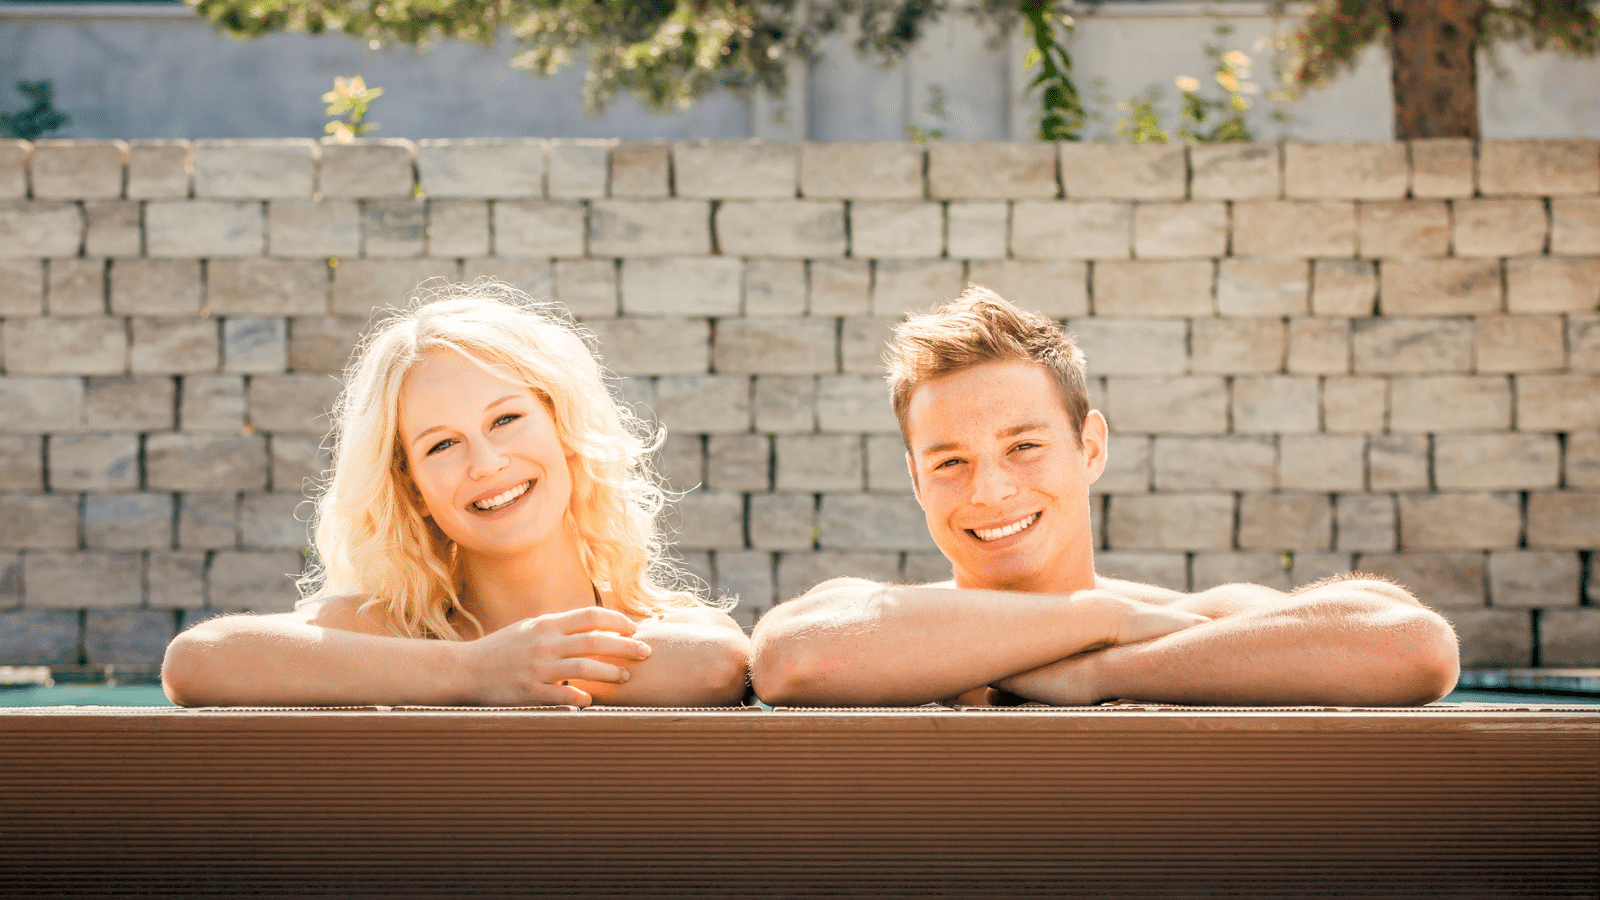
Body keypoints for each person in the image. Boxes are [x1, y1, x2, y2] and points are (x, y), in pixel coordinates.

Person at [750, 286, 1459, 708]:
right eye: (950, 461)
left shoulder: (1185, 622)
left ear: (1090, 448)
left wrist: (1102, 671)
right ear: (914, 479)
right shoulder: (884, 626)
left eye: (1024, 447)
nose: (991, 490)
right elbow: (787, 658)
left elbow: (1414, 645)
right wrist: (1104, 618)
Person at [162, 280, 750, 707]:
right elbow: (199, 659)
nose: (487, 464)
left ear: (563, 429)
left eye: (506, 420)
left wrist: (513, 668)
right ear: (411, 488)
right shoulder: (379, 631)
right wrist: (473, 671)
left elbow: (718, 665)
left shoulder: (664, 627)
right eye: (442, 445)